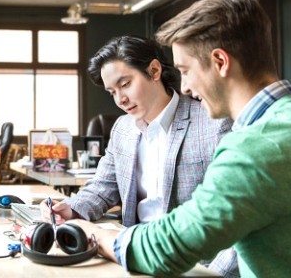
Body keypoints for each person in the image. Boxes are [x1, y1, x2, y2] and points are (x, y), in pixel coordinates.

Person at [70, 0, 291, 276]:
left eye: (186, 71)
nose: (186, 87)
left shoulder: (257, 146)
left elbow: (169, 246)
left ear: (220, 62)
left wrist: (93, 234)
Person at [39, 35, 238, 276]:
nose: (120, 100)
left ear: (154, 71)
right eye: (112, 91)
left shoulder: (213, 123)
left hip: (192, 265)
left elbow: (236, 221)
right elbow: (103, 187)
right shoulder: (123, 128)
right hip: (132, 254)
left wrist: (213, 275)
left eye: (125, 84)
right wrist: (70, 209)